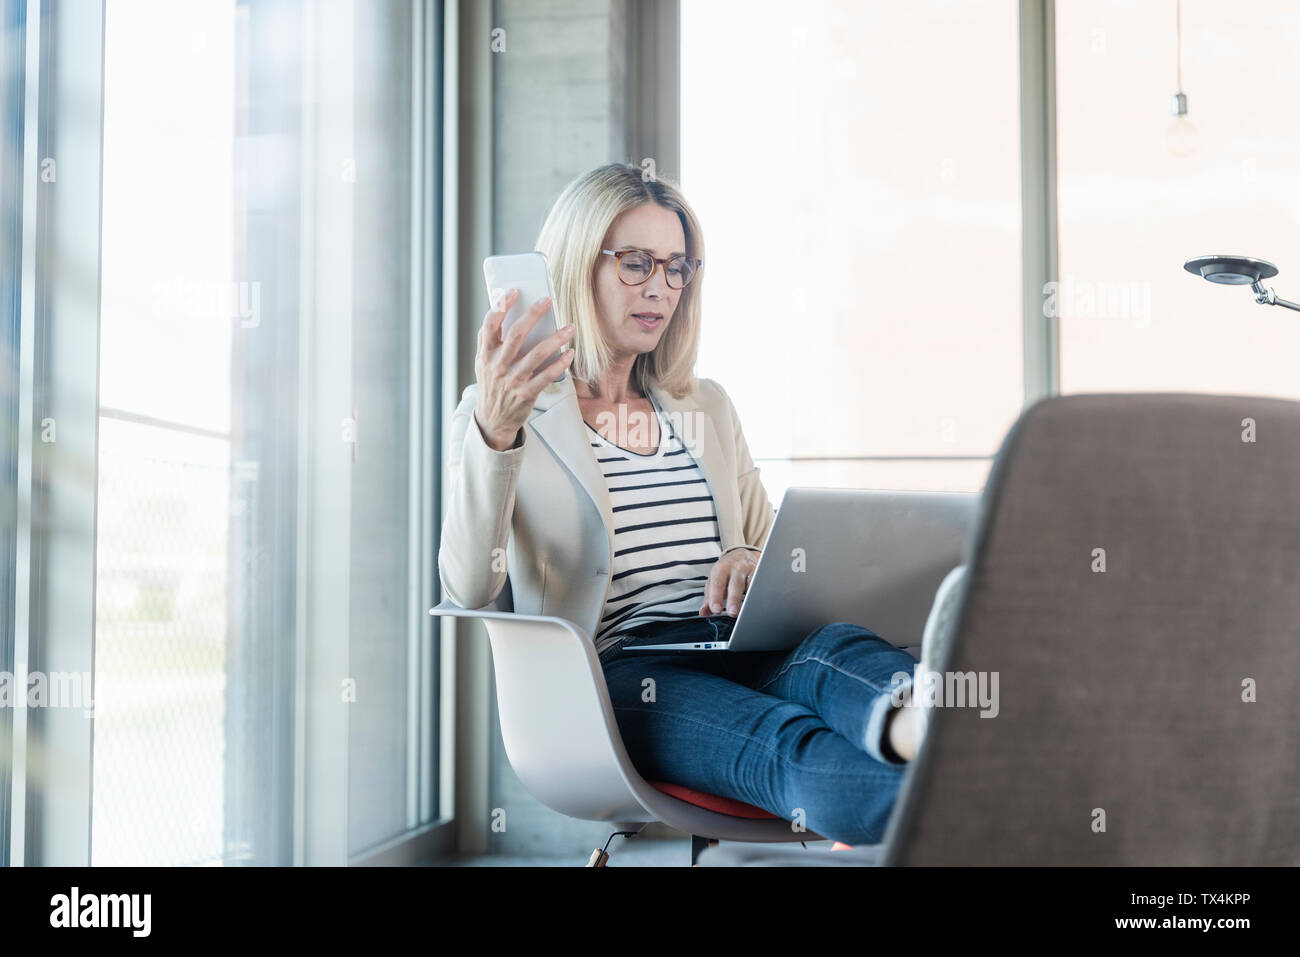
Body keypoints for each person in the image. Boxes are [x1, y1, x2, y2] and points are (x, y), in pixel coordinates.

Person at [440, 162, 947, 845]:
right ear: (574, 268)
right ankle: (972, 794)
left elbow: (778, 555)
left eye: (678, 267)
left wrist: (745, 556)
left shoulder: (703, 404)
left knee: (838, 651)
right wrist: (497, 433)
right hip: (624, 676)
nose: (661, 288)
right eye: (637, 263)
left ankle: (946, 736)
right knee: (786, 743)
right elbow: (469, 583)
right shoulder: (504, 414)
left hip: (737, 645)